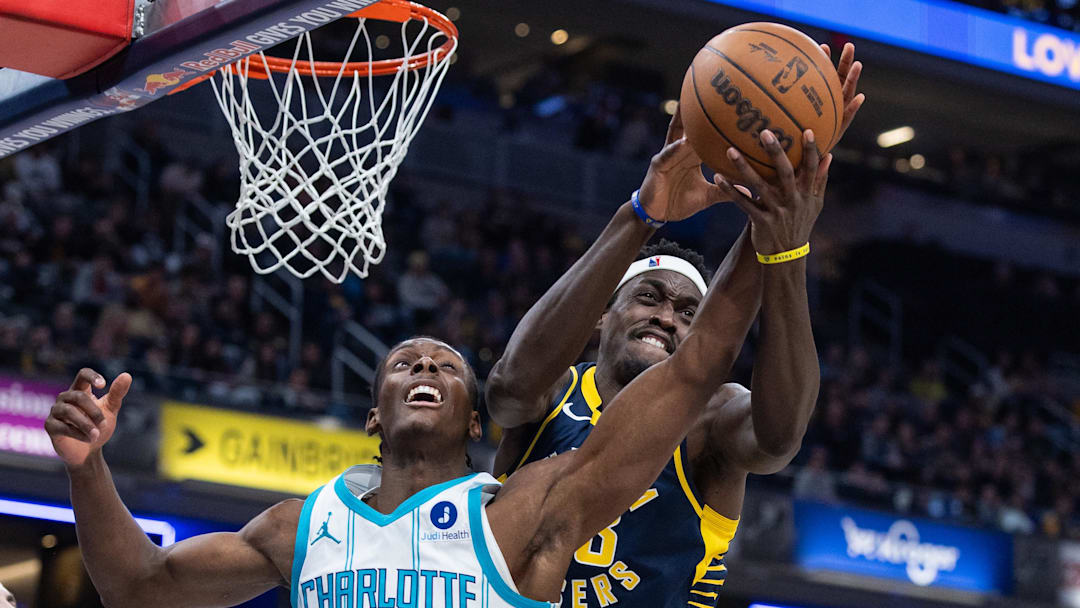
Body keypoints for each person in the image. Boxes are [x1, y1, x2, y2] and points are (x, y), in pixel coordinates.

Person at [43, 156, 814, 608]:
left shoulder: (517, 510)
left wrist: (772, 236)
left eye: (447, 365)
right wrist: (88, 469)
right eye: (405, 362)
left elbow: (697, 366)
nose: (425, 366)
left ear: (476, 422)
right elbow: (139, 586)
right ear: (372, 415)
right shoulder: (302, 527)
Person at [485, 42, 862, 608]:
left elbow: (779, 440)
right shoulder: (554, 392)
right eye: (648, 298)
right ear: (602, 316)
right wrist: (642, 212)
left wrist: (784, 248)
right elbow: (509, 390)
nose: (666, 317)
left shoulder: (712, 417)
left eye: (689, 314)